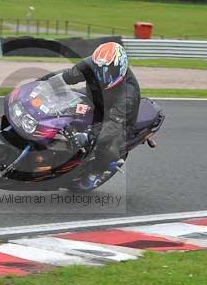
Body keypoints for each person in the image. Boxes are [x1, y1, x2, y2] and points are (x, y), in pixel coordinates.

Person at [42, 41, 141, 190]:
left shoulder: (129, 94)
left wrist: (88, 136)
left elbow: (112, 126)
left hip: (118, 118)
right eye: (99, 69)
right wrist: (39, 84)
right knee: (59, 105)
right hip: (94, 100)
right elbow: (68, 76)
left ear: (120, 68)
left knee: (106, 146)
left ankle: (96, 173)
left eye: (108, 70)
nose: (101, 74)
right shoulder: (93, 64)